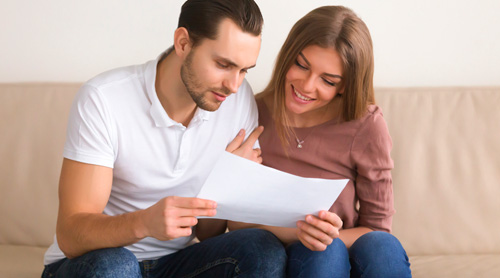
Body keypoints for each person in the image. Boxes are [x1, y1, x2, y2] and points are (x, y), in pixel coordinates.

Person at [42, 0, 288, 277]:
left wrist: (224, 179)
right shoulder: (104, 99)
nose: (234, 85)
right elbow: (71, 235)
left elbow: (209, 234)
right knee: (116, 266)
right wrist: (144, 223)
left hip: (175, 262)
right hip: (96, 263)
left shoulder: (236, 100)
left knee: (261, 249)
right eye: (223, 64)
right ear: (183, 43)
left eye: (244, 70)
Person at [228, 6, 412, 278]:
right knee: (323, 251)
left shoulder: (365, 124)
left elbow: (377, 229)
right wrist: (301, 233)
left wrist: (327, 236)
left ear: (345, 86)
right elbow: (235, 224)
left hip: (344, 253)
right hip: (273, 256)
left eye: (328, 80)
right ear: (287, 56)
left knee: (380, 247)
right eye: (302, 65)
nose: (307, 85)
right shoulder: (250, 112)